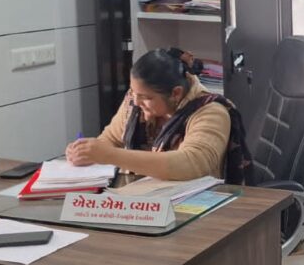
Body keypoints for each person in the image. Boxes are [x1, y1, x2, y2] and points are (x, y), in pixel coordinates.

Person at [66, 49, 261, 183]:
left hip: (197, 206)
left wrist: (109, 155)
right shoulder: (135, 102)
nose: (136, 101)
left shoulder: (210, 111)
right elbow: (110, 139)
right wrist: (85, 152)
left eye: (146, 97)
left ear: (175, 93)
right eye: (133, 93)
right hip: (141, 201)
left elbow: (191, 164)